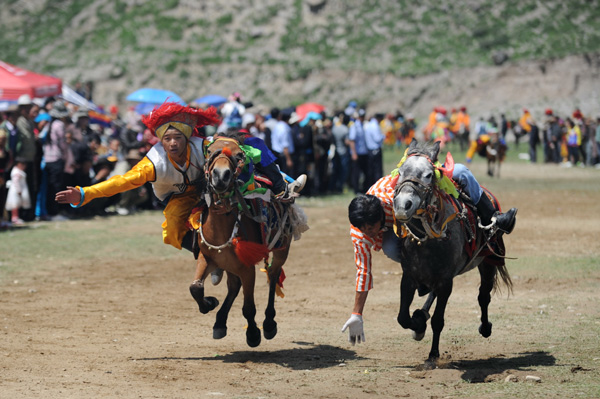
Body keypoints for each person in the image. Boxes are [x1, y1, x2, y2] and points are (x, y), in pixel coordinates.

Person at [341, 160, 517, 345]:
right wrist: (357, 314)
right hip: (394, 227)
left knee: (461, 170)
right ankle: (422, 277)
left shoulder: (394, 196)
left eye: (370, 227)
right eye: (363, 228)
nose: (366, 232)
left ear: (382, 217)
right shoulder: (359, 234)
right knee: (391, 248)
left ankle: (494, 218)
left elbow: (416, 183)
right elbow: (363, 272)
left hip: (412, 199)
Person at [56, 102, 220, 251]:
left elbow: (230, 148)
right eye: (167, 139)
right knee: (171, 231)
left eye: (178, 138)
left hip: (213, 190)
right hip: (179, 196)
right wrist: (86, 193)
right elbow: (121, 182)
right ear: (161, 141)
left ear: (187, 138)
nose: (173, 143)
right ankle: (205, 254)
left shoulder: (204, 147)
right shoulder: (153, 163)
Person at [5, 158, 32, 225]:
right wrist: (19, 190)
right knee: (15, 205)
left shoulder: (18, 171)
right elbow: (16, 181)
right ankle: (14, 218)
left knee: (17, 205)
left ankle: (16, 217)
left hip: (19, 190)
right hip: (16, 191)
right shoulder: (16, 171)